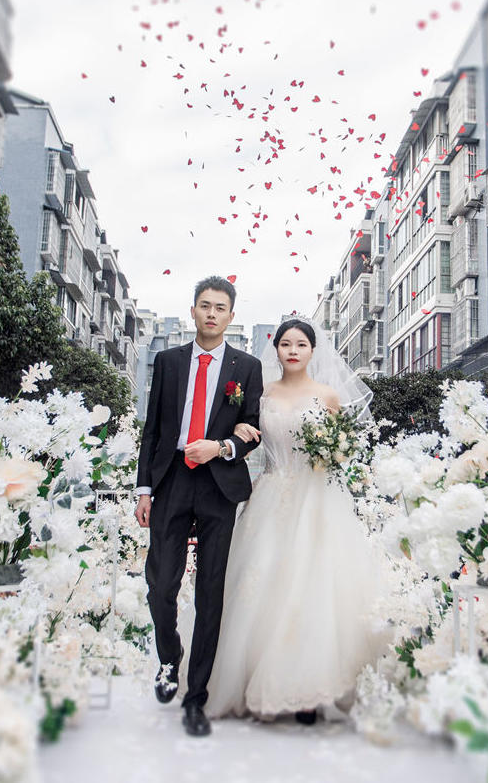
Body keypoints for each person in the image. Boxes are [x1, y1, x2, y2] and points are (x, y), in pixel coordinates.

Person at [205, 316, 391, 725]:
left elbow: (342, 447)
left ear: (312, 350)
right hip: (271, 495)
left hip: (318, 498)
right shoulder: (261, 394)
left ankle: (309, 692)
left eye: (301, 344)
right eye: (285, 344)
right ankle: (259, 682)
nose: (292, 350)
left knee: (313, 589)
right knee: (262, 587)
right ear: (276, 350)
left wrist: (334, 454)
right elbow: (248, 438)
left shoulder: (327, 396)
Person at [133, 276, 264, 737]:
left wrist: (222, 447)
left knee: (211, 593)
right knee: (160, 586)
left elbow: (252, 429)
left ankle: (196, 697)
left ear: (231, 316)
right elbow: (152, 428)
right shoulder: (168, 362)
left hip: (217, 486)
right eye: (204, 306)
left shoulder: (247, 367)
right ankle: (169, 656)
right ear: (192, 312)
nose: (211, 313)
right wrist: (143, 489)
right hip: (170, 480)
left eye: (220, 307)